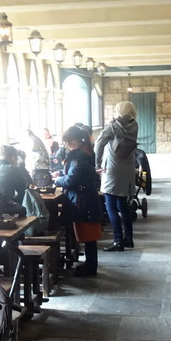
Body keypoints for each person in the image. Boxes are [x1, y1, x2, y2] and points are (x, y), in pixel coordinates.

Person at [53, 126, 103, 276]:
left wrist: (57, 180)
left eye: (68, 143)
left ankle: (91, 267)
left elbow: (71, 180)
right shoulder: (85, 152)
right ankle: (89, 264)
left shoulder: (78, 157)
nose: (67, 146)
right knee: (87, 235)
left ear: (74, 141)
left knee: (88, 235)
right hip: (86, 197)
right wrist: (62, 173)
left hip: (83, 200)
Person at [95, 101, 139, 252]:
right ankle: (129, 239)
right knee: (123, 205)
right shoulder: (134, 125)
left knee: (110, 206)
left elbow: (98, 144)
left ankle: (118, 241)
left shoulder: (112, 127)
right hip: (127, 168)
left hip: (113, 169)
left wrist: (97, 165)